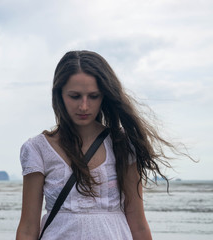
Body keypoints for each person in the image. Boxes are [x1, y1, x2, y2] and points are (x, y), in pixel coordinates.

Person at [16, 50, 179, 240]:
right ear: (59, 95)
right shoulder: (37, 149)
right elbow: (28, 227)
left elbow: (138, 223)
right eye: (75, 96)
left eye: (93, 96)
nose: (84, 106)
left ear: (104, 96)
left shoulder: (123, 144)